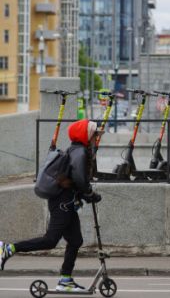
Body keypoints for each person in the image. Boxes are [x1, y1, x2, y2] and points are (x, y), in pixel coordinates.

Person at [0, 119, 102, 292]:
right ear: (87, 134)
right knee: (50, 240)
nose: (96, 138)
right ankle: (9, 248)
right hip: (63, 203)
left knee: (75, 240)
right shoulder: (80, 152)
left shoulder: (77, 150)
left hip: (67, 202)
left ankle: (65, 281)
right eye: (95, 134)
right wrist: (90, 193)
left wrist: (86, 193)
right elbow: (80, 179)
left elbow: (76, 180)